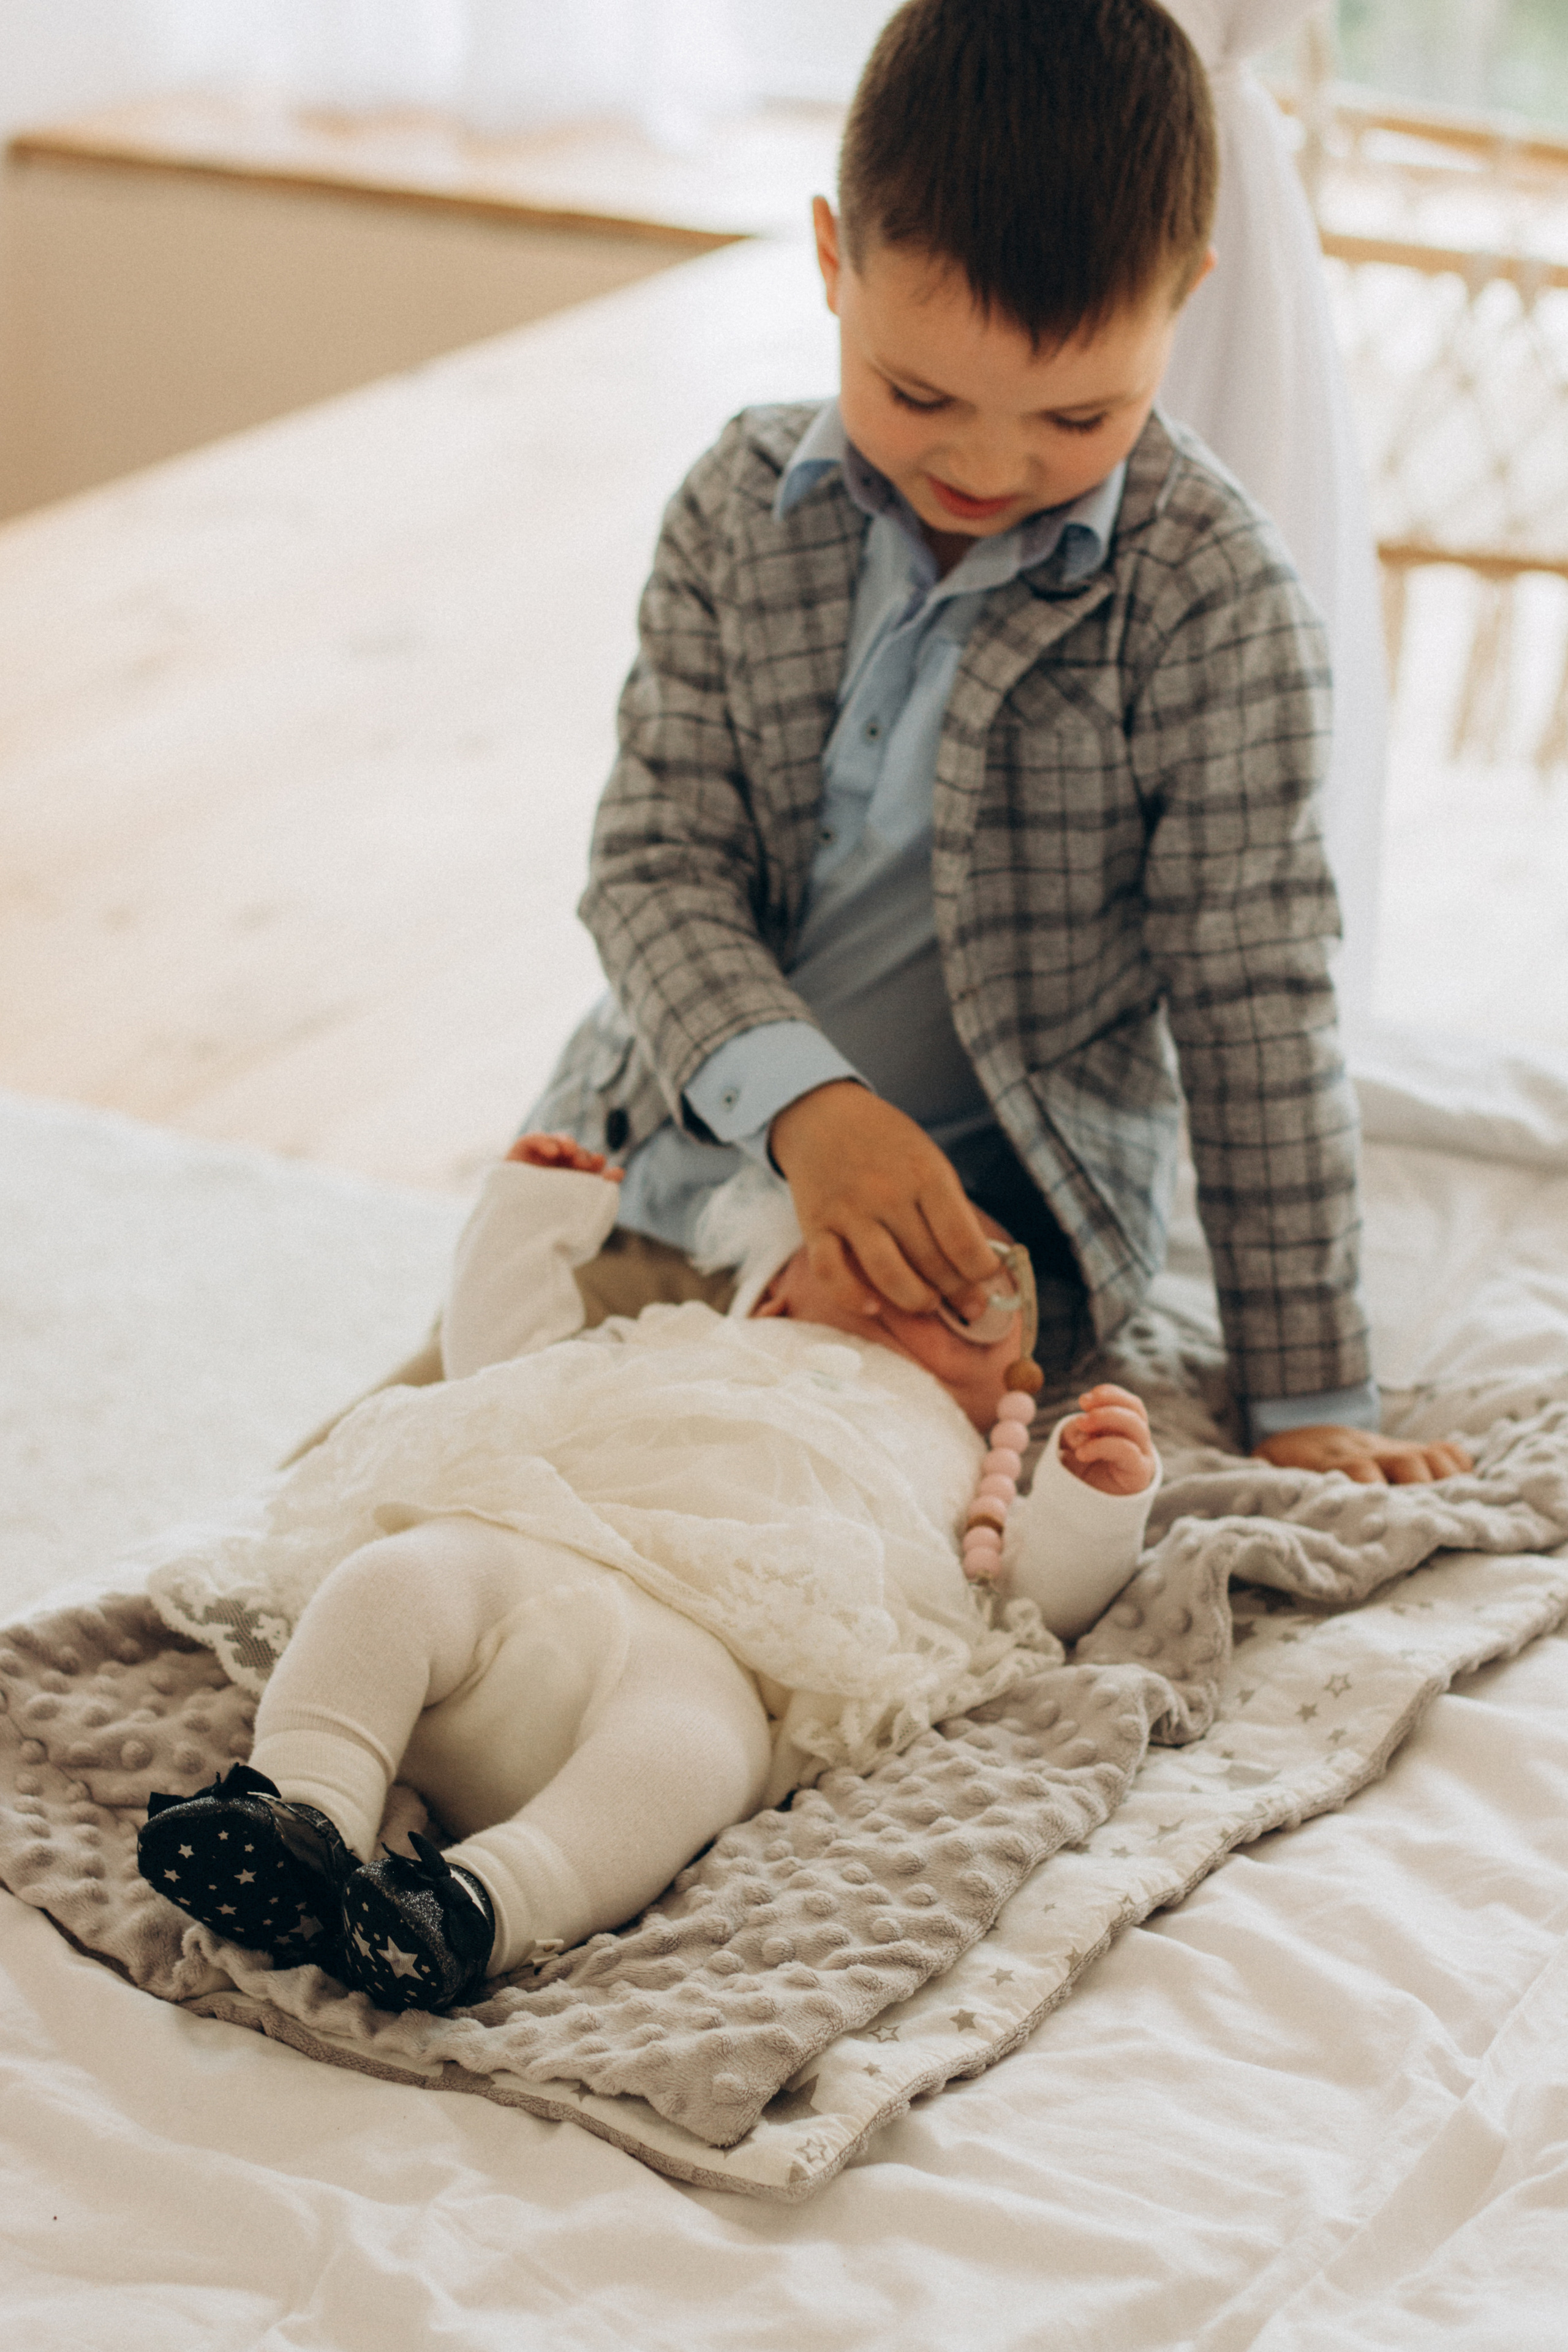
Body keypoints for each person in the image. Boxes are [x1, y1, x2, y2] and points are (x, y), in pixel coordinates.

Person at [522, 0, 1466, 1491]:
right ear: (833, 261)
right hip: (657, 1162)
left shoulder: (1215, 598)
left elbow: (1253, 1007)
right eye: (917, 395)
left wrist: (1306, 1396)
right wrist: (806, 1111)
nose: (984, 463)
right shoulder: (732, 505)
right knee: (401, 1501)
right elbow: (653, 869)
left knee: (786, 1529)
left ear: (1184, 303)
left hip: (961, 1266)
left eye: (1076, 415)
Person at [136, 1137, 1161, 2015]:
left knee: (695, 1762)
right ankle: (302, 1816)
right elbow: (506, 1372)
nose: (933, 1278)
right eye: (887, 1243)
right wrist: (531, 1212)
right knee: (389, 1582)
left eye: (980, 1285)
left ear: (1009, 1386)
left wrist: (1097, 1499)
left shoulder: (960, 1461)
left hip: (711, 1659)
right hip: (527, 1552)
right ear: (784, 1280)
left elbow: (1031, 1607)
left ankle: (471, 1911)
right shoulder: (689, 1338)